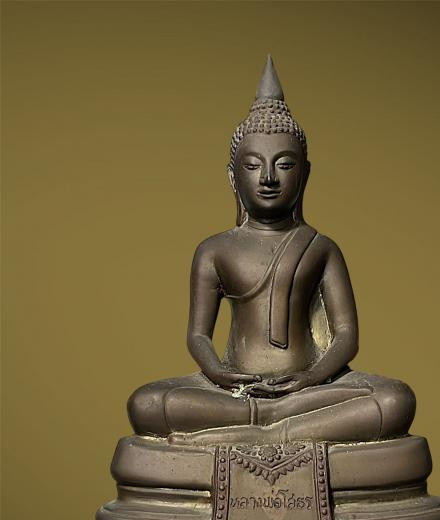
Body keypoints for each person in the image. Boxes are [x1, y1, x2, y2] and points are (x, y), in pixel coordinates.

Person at [128, 57, 415, 444]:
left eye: (283, 165)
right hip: (234, 391)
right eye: (253, 165)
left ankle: (271, 425)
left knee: (395, 400)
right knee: (147, 404)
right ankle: (271, 422)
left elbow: (346, 336)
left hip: (309, 392)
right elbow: (198, 335)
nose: (267, 177)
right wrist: (218, 374)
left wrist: (310, 377)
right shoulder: (214, 250)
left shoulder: (321, 248)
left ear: (305, 174)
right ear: (233, 176)